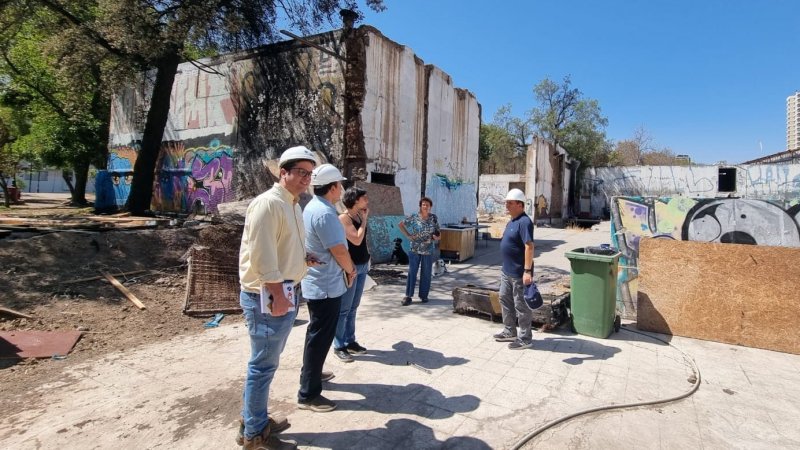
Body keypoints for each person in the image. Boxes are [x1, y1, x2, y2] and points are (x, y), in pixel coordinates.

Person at [237, 145, 317, 450]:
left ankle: (251, 419)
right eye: (300, 172)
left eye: (309, 174)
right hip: (268, 296)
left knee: (264, 362)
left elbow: (281, 246)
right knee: (262, 366)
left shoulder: (292, 205)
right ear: (283, 172)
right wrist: (278, 295)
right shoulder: (268, 204)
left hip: (284, 291)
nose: (306, 178)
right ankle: (255, 435)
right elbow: (262, 255)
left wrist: (303, 259)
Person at [297, 164, 357, 413]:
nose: (341, 189)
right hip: (325, 287)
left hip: (319, 283)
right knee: (320, 336)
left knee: (317, 334)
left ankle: (312, 373)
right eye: (339, 185)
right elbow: (339, 250)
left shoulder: (314, 207)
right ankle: (308, 394)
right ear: (332, 187)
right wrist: (351, 270)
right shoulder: (324, 213)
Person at [493, 188, 536, 350]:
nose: (507, 206)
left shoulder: (525, 222)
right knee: (504, 299)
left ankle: (525, 338)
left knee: (521, 305)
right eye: (507, 203)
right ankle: (509, 331)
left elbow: (529, 246)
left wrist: (527, 271)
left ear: (520, 204)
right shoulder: (512, 221)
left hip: (519, 272)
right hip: (506, 271)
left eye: (510, 203)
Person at [332, 187, 371, 363]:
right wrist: (364, 221)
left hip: (362, 265)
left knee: (354, 307)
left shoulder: (358, 217)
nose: (367, 201)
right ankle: (339, 345)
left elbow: (363, 243)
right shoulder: (344, 218)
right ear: (355, 200)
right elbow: (356, 239)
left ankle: (350, 340)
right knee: (344, 309)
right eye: (364, 198)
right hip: (351, 268)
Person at [398, 197, 440, 306]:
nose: (425, 206)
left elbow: (438, 233)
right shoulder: (414, 217)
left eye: (427, 205)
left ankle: (424, 295)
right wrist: (408, 236)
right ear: (420, 206)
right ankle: (408, 296)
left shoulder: (433, 218)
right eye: (423, 204)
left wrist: (436, 237)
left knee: (426, 273)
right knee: (412, 272)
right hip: (415, 249)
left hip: (428, 249)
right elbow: (401, 225)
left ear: (430, 207)